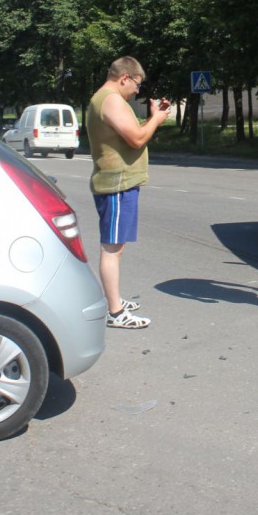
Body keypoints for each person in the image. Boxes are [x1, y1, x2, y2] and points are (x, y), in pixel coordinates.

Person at [86, 56, 171, 329]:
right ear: (124, 78)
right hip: (116, 183)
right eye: (136, 84)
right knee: (112, 248)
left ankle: (115, 299)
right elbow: (136, 138)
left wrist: (153, 117)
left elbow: (131, 132)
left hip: (119, 183)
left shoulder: (107, 100)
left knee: (117, 246)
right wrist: (156, 119)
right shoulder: (111, 100)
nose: (137, 90)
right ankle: (115, 312)